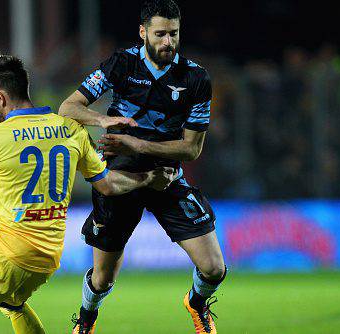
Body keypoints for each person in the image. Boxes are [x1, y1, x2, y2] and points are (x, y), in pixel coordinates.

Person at [0, 44, 175, 334]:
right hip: (46, 258)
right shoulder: (70, 129)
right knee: (13, 305)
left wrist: (16, 209)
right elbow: (108, 185)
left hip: (3, 252)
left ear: (0, 97)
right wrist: (149, 178)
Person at [59, 1, 226, 333]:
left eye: (174, 34)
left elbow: (191, 148)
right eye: (160, 34)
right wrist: (104, 119)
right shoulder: (121, 64)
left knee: (213, 269)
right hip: (121, 177)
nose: (167, 42)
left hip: (166, 177)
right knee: (104, 278)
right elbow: (68, 108)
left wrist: (135, 142)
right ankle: (87, 317)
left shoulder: (195, 79)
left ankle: (196, 302)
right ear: (143, 33)